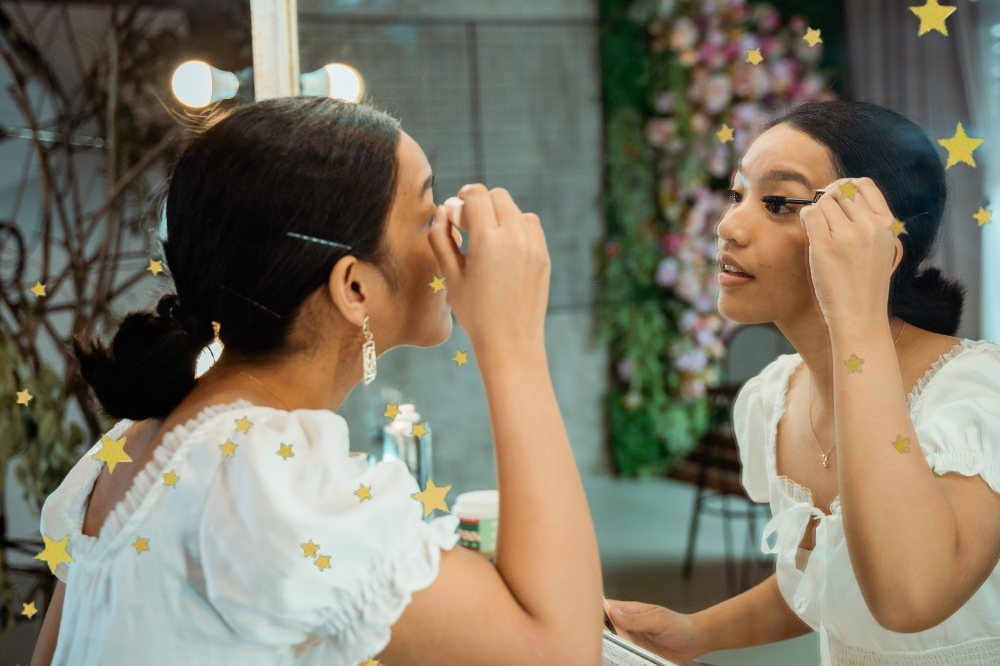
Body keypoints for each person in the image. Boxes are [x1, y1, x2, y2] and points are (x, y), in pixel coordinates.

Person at [30, 97, 603, 666]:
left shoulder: (135, 444)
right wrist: (513, 339)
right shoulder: (268, 481)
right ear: (354, 288)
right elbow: (558, 653)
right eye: (428, 216)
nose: (448, 234)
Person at [607, 100, 1000, 665]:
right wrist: (698, 633)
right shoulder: (772, 399)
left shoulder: (970, 399)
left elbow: (909, 597)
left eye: (778, 203)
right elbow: (828, 584)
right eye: (739, 195)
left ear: (878, 243)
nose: (727, 226)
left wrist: (857, 314)